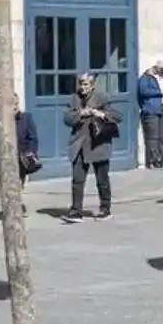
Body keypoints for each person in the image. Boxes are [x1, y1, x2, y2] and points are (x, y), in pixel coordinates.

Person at [63, 73, 121, 222]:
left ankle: (105, 209)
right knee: (77, 179)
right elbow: (67, 119)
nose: (82, 87)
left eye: (86, 84)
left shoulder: (102, 97)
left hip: (98, 143)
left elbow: (117, 116)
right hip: (80, 143)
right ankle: (76, 211)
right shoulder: (74, 98)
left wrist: (100, 114)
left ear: (92, 85)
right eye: (81, 83)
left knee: (102, 179)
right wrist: (81, 113)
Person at [0, 92, 40, 215]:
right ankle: (9, 206)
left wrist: (31, 153)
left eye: (16, 104)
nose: (15, 107)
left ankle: (16, 205)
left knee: (18, 184)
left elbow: (33, 138)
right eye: (11, 104)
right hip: (1, 158)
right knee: (5, 184)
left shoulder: (26, 118)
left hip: (20, 158)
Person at [138, 60, 163, 168]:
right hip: (151, 109)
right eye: (162, 69)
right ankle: (153, 160)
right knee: (152, 138)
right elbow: (143, 91)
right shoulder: (145, 78)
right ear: (155, 67)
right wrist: (160, 93)